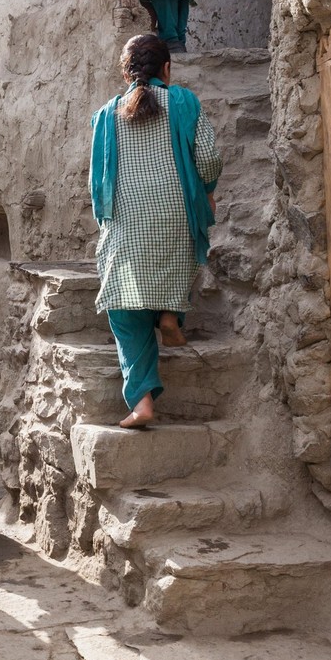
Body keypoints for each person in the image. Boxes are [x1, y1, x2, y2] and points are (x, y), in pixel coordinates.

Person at [89, 35, 223, 429]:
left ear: (126, 73)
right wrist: (208, 193)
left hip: (129, 219)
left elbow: (98, 182)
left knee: (123, 308)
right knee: (173, 259)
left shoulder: (107, 114)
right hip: (177, 212)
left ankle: (143, 400)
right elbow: (209, 158)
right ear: (167, 68)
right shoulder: (184, 102)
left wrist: (106, 223)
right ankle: (170, 313)